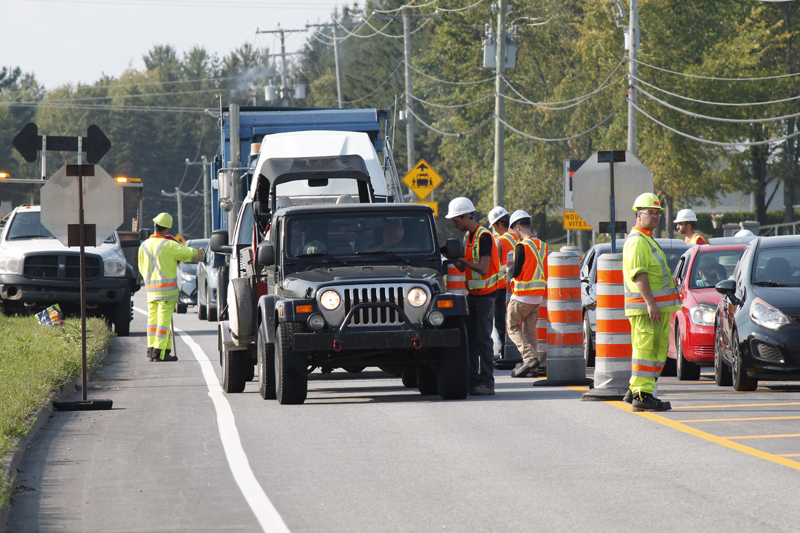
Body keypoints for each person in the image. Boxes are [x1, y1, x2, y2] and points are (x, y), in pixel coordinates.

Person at [623, 193, 681, 411]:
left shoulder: (646, 239)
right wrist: (650, 304)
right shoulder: (637, 242)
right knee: (645, 352)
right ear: (638, 215)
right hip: (647, 310)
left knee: (655, 352)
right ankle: (642, 395)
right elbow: (640, 275)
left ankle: (636, 390)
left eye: (657, 213)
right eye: (650, 212)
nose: (655, 216)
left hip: (657, 309)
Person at [446, 197, 501, 396]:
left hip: (486, 296)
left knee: (483, 340)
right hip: (474, 295)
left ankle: (487, 383)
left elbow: (484, 269)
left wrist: (461, 260)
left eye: (455, 220)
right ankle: (472, 381)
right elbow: (463, 266)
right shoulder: (468, 237)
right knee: (470, 340)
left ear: (466, 216)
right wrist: (452, 257)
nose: (454, 224)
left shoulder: (484, 236)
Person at [139, 213, 205, 362]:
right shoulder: (169, 245)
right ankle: (159, 353)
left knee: (153, 321)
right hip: (166, 292)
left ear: (155, 226)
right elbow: (189, 254)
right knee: (163, 321)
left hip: (151, 291)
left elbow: (141, 267)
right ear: (167, 229)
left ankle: (152, 351)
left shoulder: (144, 245)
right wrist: (201, 253)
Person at [506, 210, 548, 378]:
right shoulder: (542, 245)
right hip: (537, 296)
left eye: (515, 231)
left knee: (512, 326)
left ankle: (529, 358)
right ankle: (533, 368)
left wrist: (507, 270)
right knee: (530, 331)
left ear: (518, 228)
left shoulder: (522, 246)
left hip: (522, 295)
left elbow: (515, 272)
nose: (515, 235)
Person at [488, 206, 517, 360]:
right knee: (513, 322)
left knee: (500, 323)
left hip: (500, 289)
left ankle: (503, 353)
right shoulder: (518, 238)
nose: (494, 230)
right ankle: (513, 352)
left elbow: (494, 266)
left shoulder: (498, 241)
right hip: (516, 288)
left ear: (499, 224)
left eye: (494, 226)